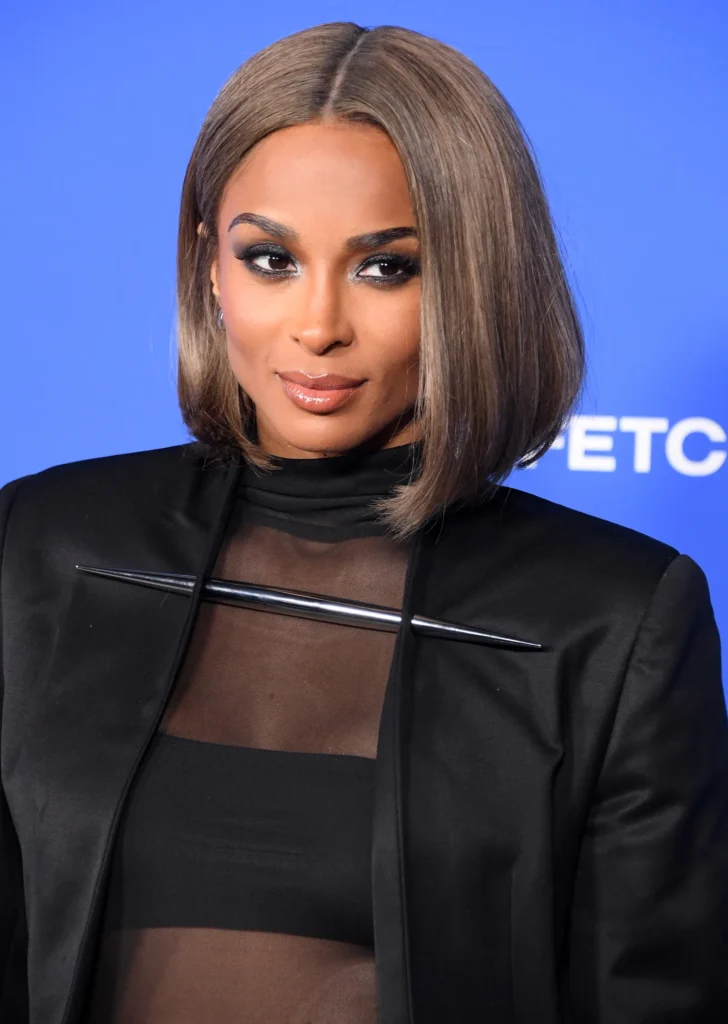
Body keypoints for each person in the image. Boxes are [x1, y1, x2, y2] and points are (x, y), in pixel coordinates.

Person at [1, 19, 726, 1024]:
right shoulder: (41, 545)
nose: (317, 325)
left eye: (385, 268)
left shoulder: (613, 619)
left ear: (473, 279)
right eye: (270, 259)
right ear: (209, 263)